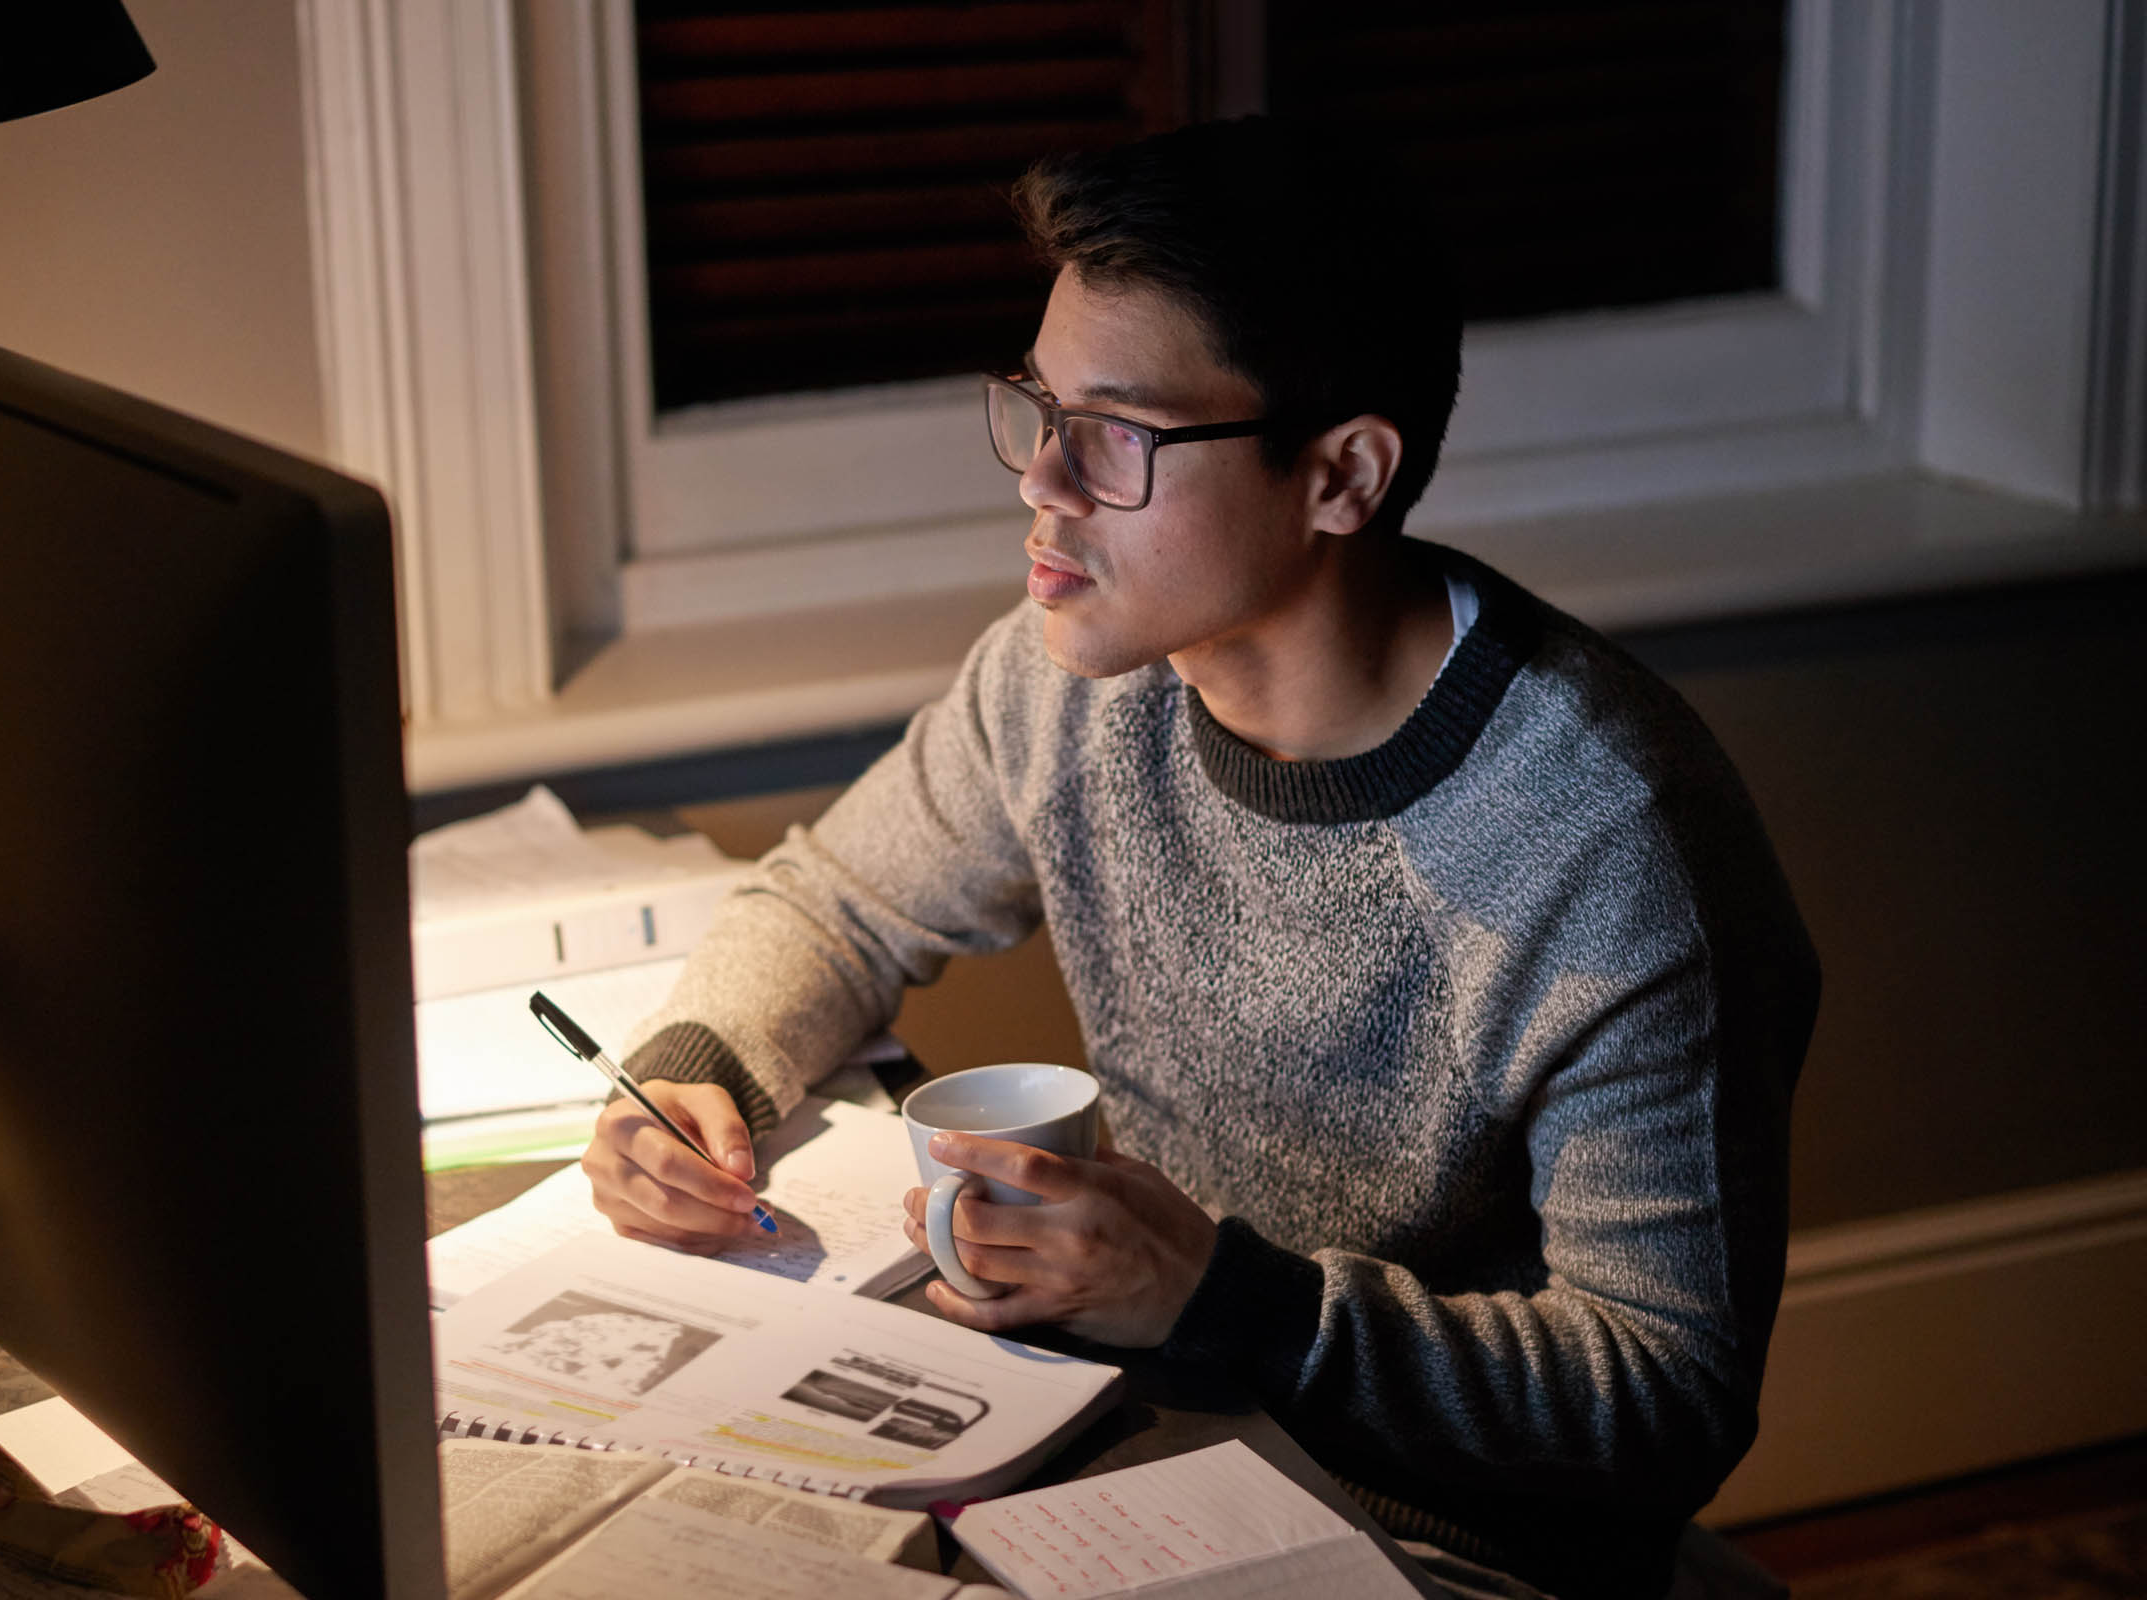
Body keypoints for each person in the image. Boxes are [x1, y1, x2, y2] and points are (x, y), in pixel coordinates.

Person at [577, 117, 1819, 1600]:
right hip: (1130, 1445)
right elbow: (837, 902)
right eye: (1039, 407)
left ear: (1342, 477)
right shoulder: (1069, 681)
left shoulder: (1614, 847)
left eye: (1118, 435)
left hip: (1450, 1545)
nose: (1043, 481)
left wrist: (1240, 1307)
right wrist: (698, 1065)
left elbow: (1661, 1401)